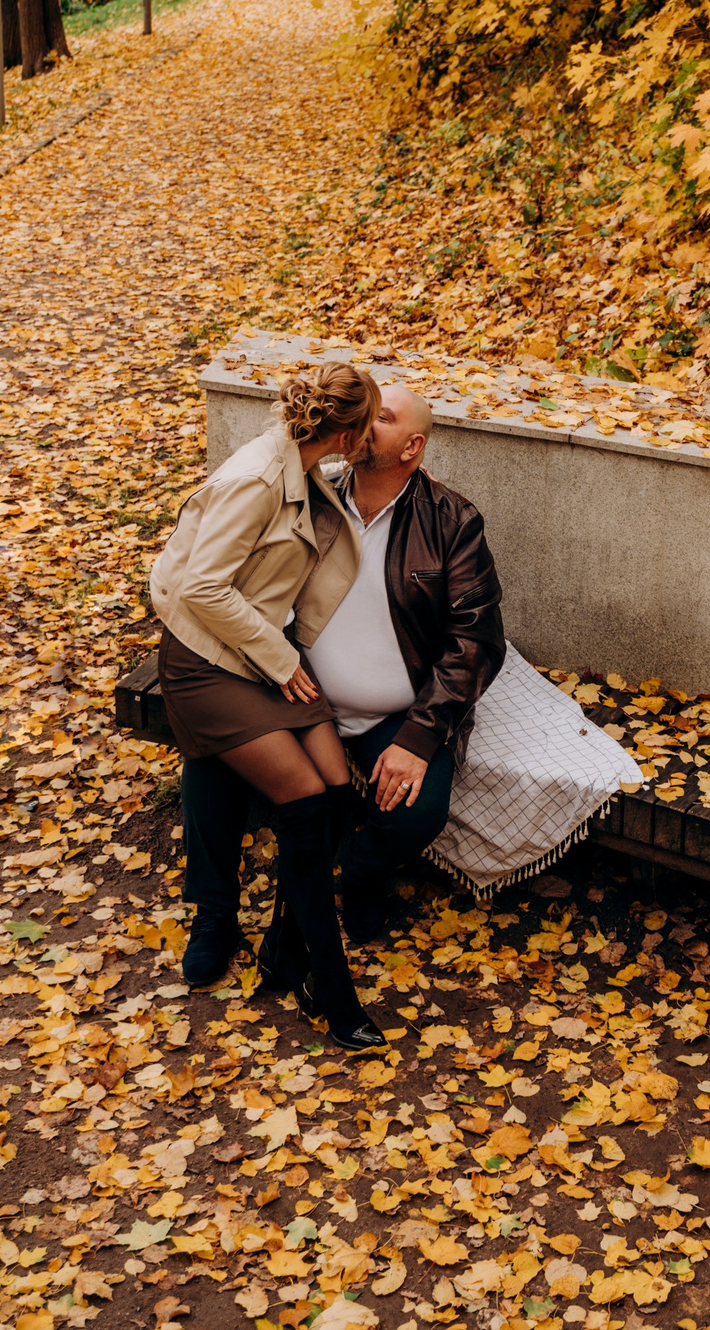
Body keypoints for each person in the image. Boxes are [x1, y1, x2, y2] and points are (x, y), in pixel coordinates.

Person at [182, 382, 505, 986]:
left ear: (412, 446)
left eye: (380, 418)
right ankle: (213, 912)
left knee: (415, 813)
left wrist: (419, 736)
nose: (363, 424)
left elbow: (476, 642)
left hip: (395, 714)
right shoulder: (312, 492)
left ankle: (358, 875)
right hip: (294, 690)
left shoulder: (450, 520)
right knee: (209, 760)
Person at [151, 361, 386, 1051]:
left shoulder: (309, 466)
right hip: (207, 664)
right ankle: (331, 989)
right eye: (371, 422)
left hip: (258, 652)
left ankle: (287, 947)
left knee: (337, 786)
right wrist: (283, 664)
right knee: (308, 797)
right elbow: (200, 588)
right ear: (349, 431)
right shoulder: (257, 478)